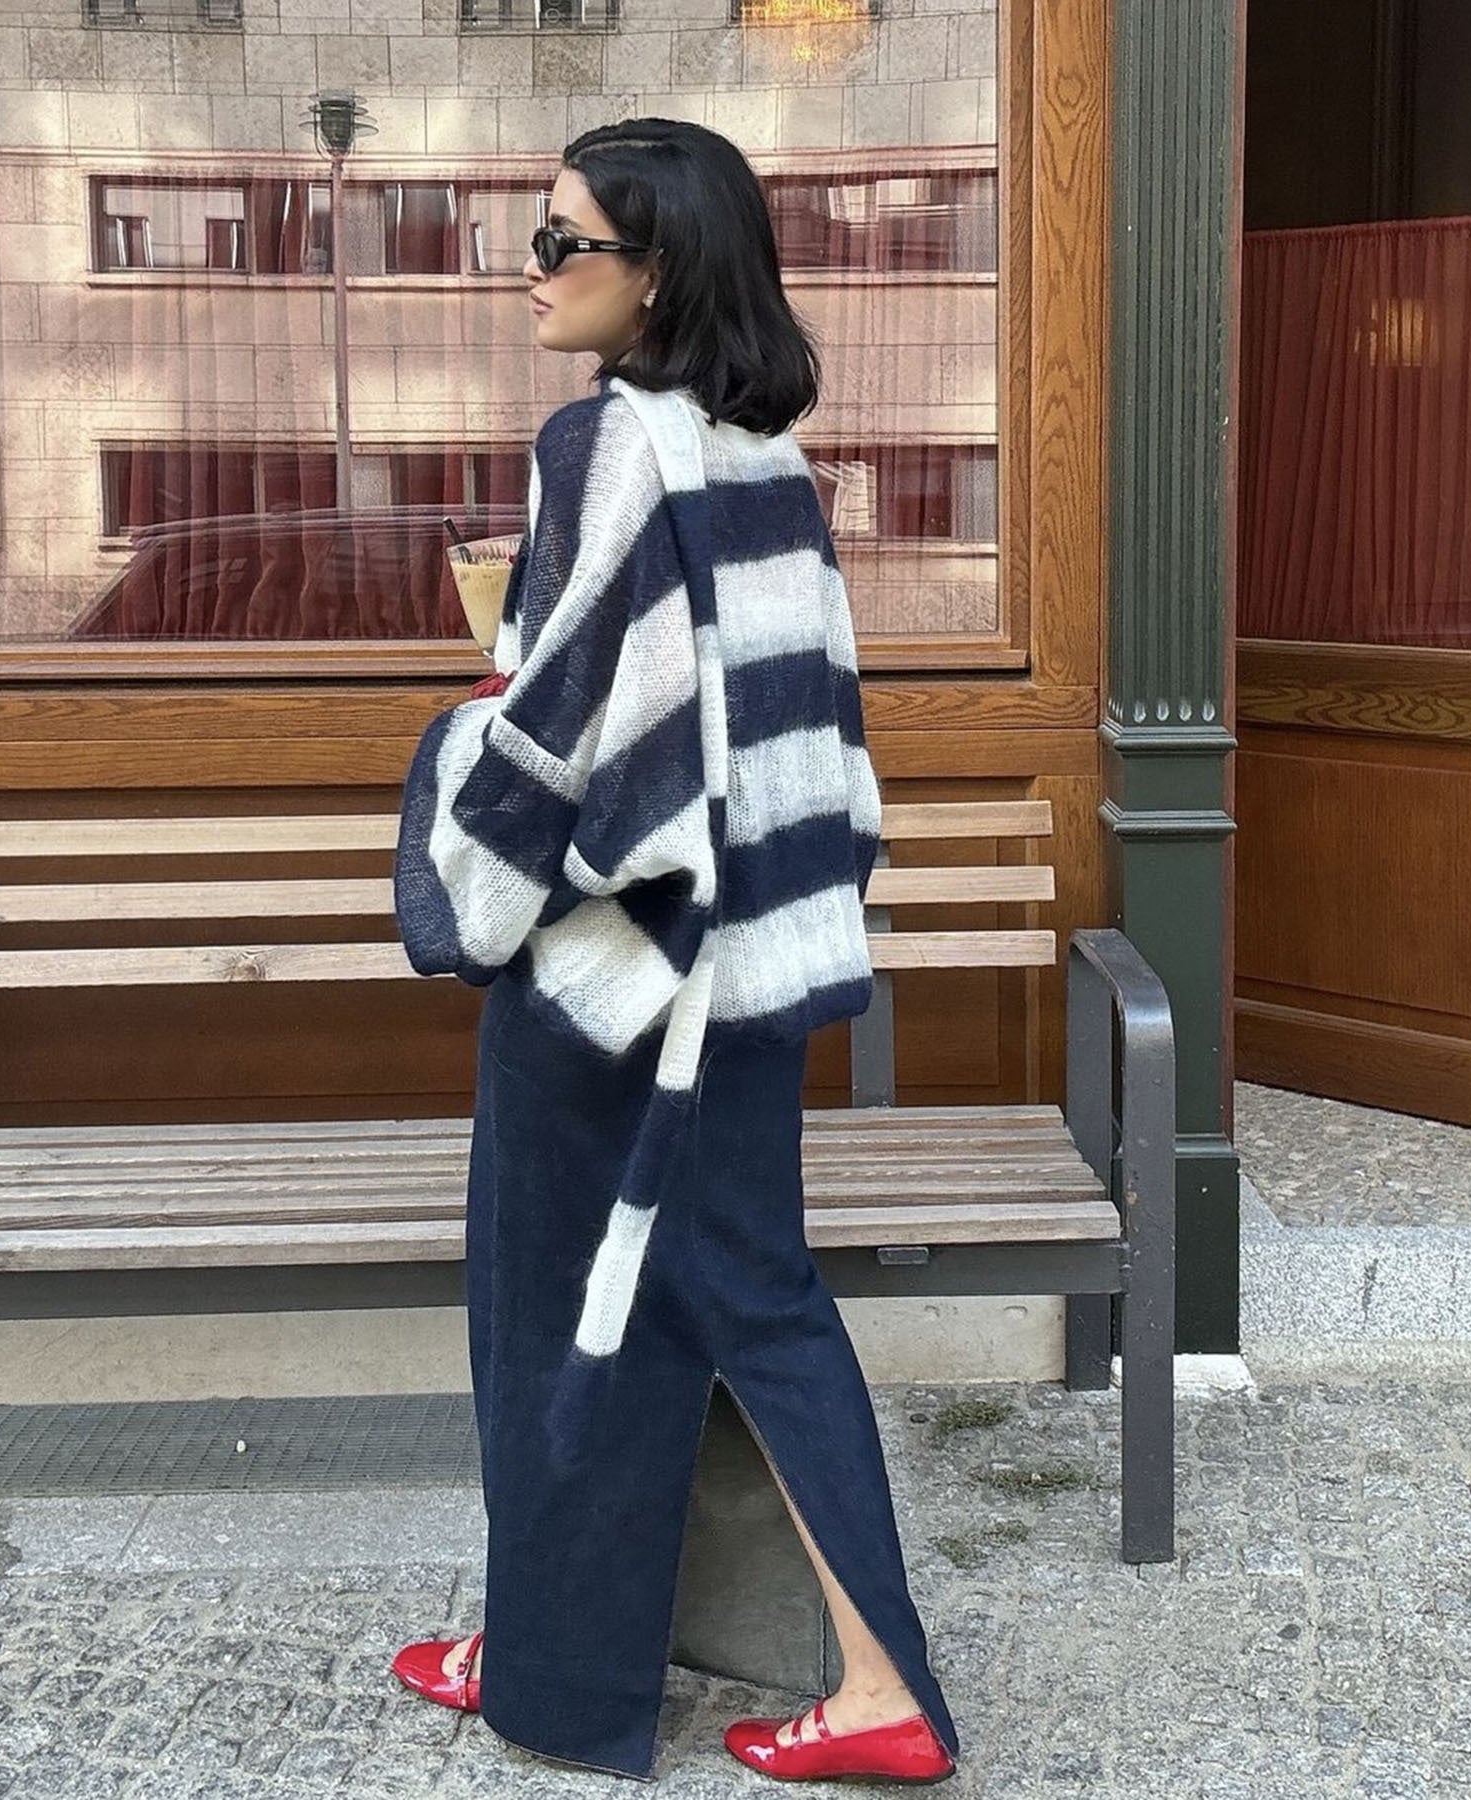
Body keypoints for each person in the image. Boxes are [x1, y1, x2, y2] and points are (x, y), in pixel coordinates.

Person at [389, 117, 959, 1787]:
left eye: (564, 243)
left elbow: (561, 737)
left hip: (620, 988)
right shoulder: (767, 462)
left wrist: (456, 773)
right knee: (734, 1298)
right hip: (755, 969)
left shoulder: (607, 450)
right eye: (537, 232)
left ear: (660, 275)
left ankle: (776, 1684)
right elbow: (788, 736)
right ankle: (593, 1646)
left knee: (558, 1309)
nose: (533, 270)